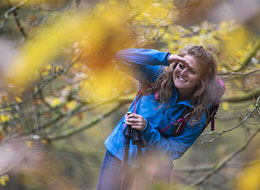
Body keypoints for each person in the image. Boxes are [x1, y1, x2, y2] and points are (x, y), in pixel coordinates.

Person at [97, 45, 223, 190]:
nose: (183, 72)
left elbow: (173, 151)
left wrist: (147, 130)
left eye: (192, 71)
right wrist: (164, 58)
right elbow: (121, 57)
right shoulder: (155, 76)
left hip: (154, 168)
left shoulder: (197, 115)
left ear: (202, 80)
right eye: (181, 66)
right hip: (119, 151)